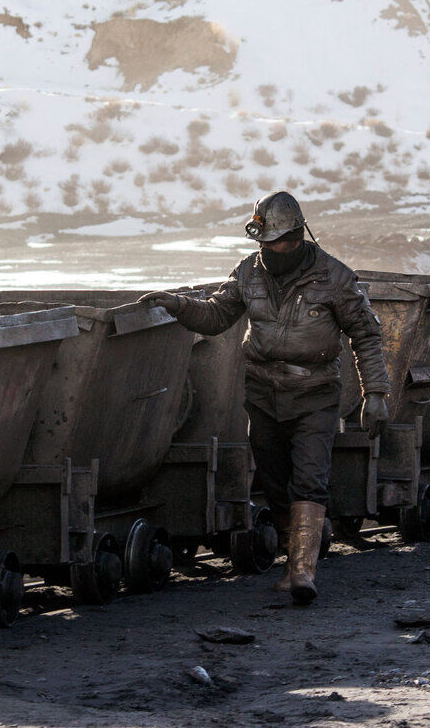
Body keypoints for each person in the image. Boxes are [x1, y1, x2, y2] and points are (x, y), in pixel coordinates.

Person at [140, 191, 390, 605]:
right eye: (267, 242)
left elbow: (366, 334)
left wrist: (376, 392)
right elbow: (217, 315)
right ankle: (296, 557)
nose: (274, 249)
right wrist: (179, 305)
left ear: (299, 235)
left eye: (282, 241)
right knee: (274, 483)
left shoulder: (335, 278)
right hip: (263, 394)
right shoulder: (247, 274)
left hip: (315, 393)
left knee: (310, 478)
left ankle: (302, 573)